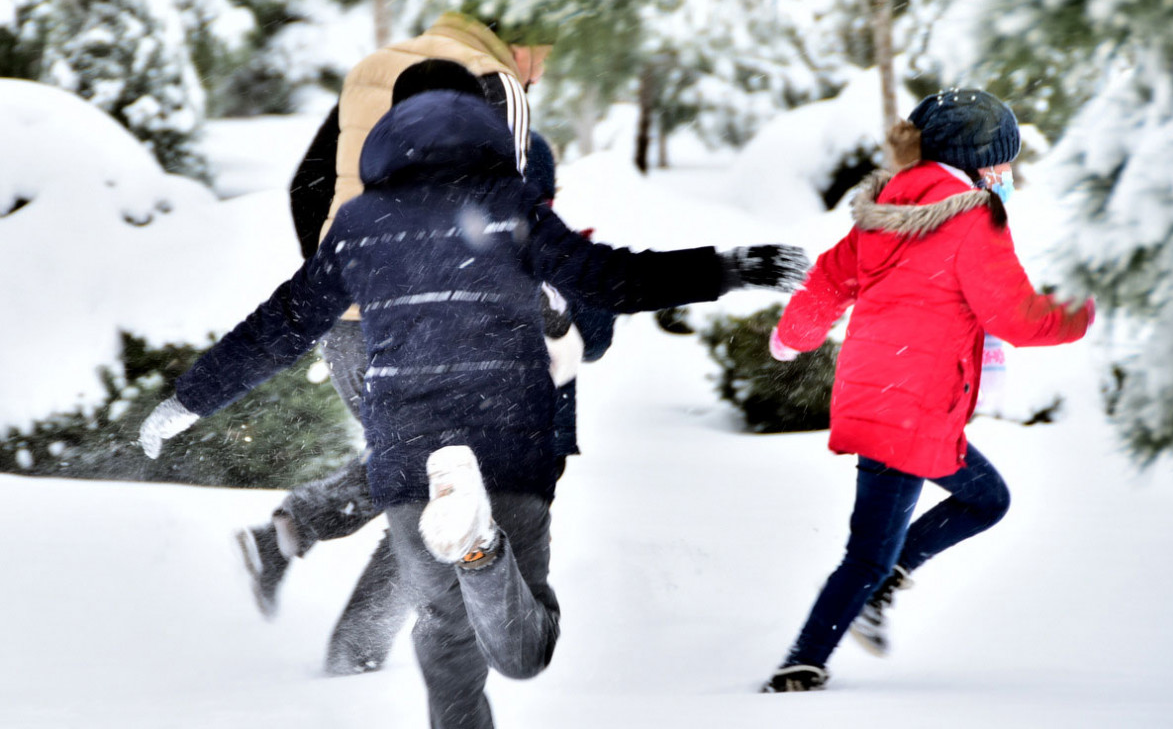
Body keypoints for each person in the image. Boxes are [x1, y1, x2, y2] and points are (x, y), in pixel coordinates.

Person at [139, 79, 810, 729]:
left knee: (444, 640)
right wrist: (729, 266)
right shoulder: (511, 204)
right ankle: (481, 547)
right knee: (521, 653)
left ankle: (469, 540)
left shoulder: (359, 225)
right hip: (506, 442)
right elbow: (614, 280)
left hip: (409, 457)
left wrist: (187, 400)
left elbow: (280, 326)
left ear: (391, 131)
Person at [234, 14, 553, 672]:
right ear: (516, 39)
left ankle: (293, 532)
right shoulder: (496, 83)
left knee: (422, 471)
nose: (542, 68)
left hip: (351, 320)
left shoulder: (379, 69)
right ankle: (353, 656)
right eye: (543, 51)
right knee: (453, 486)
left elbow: (307, 185)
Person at [762, 88, 1095, 693]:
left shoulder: (885, 207)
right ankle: (799, 668)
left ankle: (878, 586)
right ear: (975, 161)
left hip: (882, 395)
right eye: (1002, 162)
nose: (1006, 175)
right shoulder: (972, 219)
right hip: (912, 408)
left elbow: (829, 281)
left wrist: (791, 339)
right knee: (869, 553)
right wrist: (1084, 308)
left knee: (984, 500)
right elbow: (1016, 317)